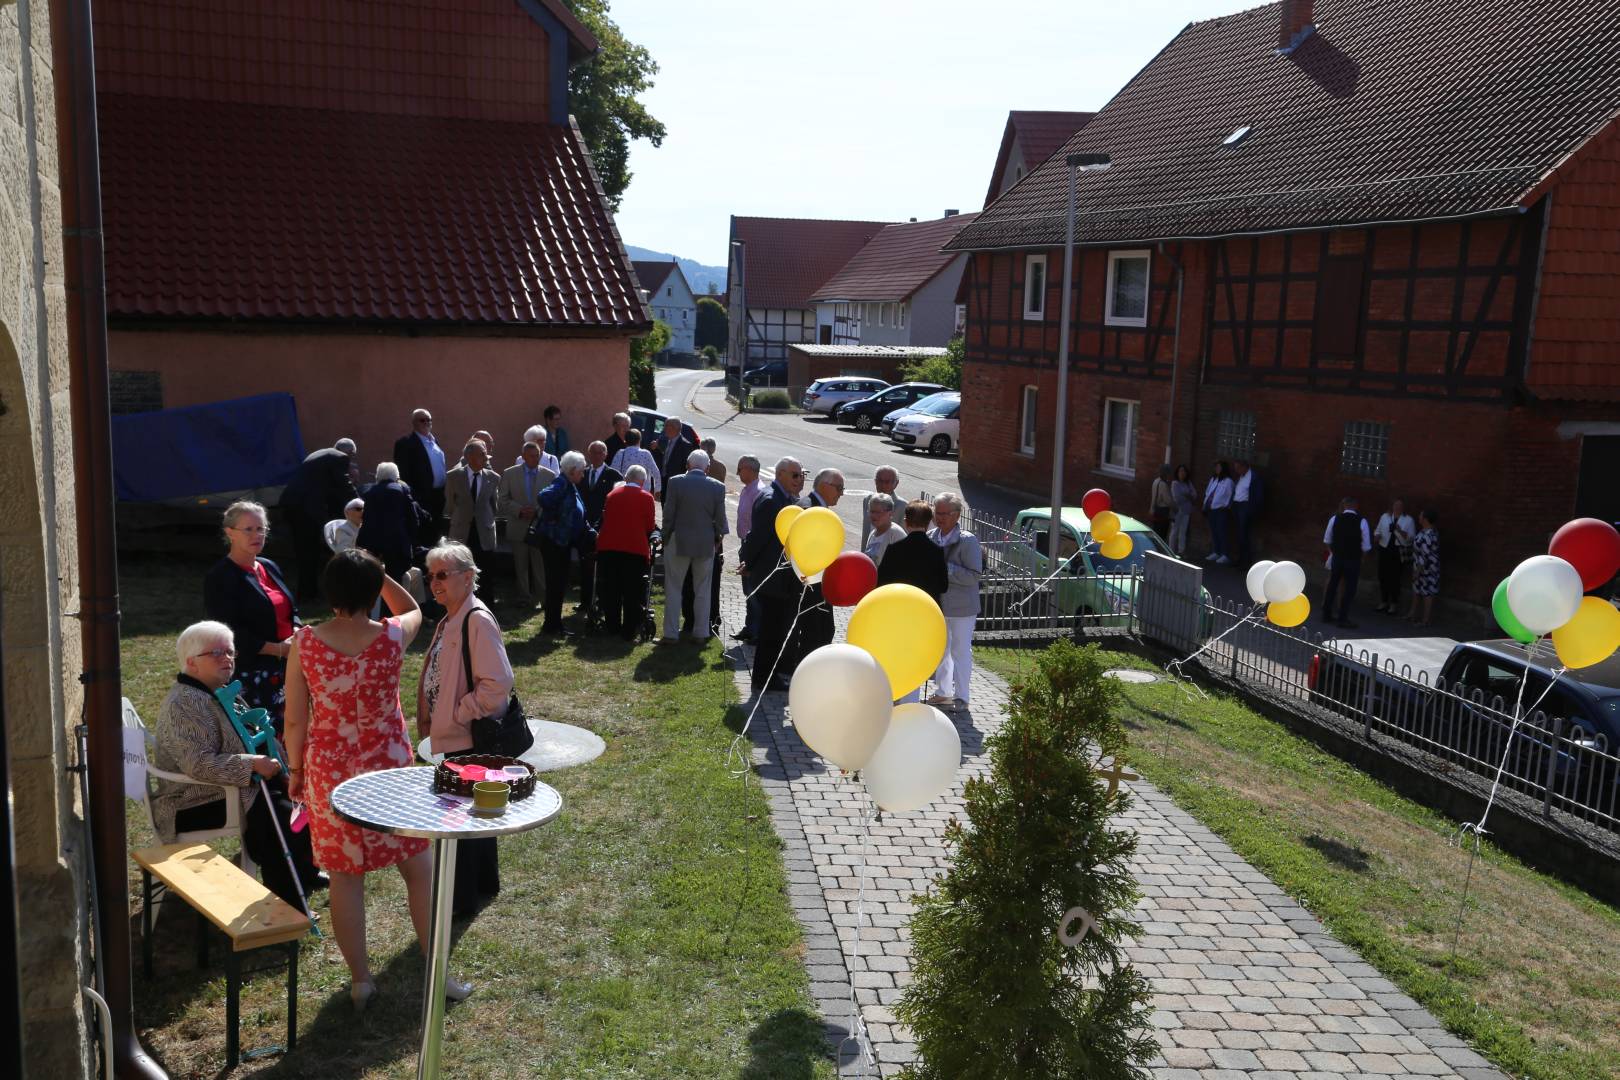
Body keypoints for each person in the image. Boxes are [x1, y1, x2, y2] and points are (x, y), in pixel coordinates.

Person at [283, 550, 472, 1009]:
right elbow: (412, 608)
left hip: (330, 772)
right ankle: (439, 971)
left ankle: (361, 981)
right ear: (373, 591)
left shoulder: (304, 644)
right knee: (419, 868)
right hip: (389, 769)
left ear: (328, 591)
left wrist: (296, 771)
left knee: (345, 877)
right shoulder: (391, 636)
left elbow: (294, 720)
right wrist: (381, 575)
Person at [152, 621, 321, 908]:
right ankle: (289, 905)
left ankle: (304, 875)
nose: (228, 659)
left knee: (302, 805)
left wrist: (284, 766)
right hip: (194, 800)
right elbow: (198, 764)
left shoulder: (217, 689)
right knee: (280, 821)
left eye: (230, 652)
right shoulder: (186, 703)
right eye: (217, 653)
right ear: (191, 662)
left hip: (237, 786)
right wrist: (250, 764)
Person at [411, 541, 515, 919]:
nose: (434, 583)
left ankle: (459, 901)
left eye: (442, 575)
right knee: (477, 811)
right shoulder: (454, 615)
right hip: (462, 734)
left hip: (469, 736)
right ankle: (483, 884)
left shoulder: (476, 619)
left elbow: (497, 685)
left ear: (468, 577)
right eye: (431, 576)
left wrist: (457, 713)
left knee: (459, 820)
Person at [204, 502, 298, 732]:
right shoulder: (220, 577)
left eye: (261, 529)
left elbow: (291, 610)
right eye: (248, 529)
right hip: (252, 673)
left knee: (292, 730)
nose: (256, 535)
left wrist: (297, 632)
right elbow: (229, 632)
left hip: (288, 665)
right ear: (230, 533)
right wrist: (278, 649)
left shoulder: (269, 566)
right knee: (262, 737)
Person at [739, 456, 805, 693]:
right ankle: (764, 678)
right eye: (795, 475)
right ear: (780, 475)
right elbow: (757, 537)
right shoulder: (771, 500)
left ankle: (768, 675)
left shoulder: (783, 498)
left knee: (775, 629)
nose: (799, 479)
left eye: (801, 475)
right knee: (770, 630)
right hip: (771, 577)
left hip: (778, 577)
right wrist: (747, 563)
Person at [661, 449, 728, 643]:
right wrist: (718, 539)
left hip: (678, 540)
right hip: (705, 542)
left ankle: (670, 633)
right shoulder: (717, 487)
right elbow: (721, 520)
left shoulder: (675, 482)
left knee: (674, 587)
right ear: (707, 468)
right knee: (703, 589)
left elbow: (668, 514)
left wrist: (665, 536)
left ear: (688, 465)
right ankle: (701, 632)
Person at [279, 442, 358, 600]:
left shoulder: (320, 455)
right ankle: (310, 594)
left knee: (304, 551)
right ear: (349, 452)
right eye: (353, 456)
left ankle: (306, 592)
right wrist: (360, 504)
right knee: (310, 550)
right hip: (305, 508)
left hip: (291, 503)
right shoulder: (340, 458)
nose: (351, 461)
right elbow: (344, 486)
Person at [927, 492, 983, 709]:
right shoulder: (931, 536)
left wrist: (946, 569)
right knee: (941, 649)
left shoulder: (968, 541)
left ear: (957, 515)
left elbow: (974, 576)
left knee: (960, 651)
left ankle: (962, 696)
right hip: (939, 604)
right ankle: (943, 692)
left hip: (962, 607)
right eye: (937, 513)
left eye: (944, 514)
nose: (939, 518)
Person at [786, 469, 844, 671]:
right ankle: (808, 672)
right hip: (810, 584)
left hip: (815, 582)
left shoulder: (815, 508)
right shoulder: (810, 509)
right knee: (816, 632)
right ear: (824, 486)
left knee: (822, 631)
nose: (842, 493)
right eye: (839, 488)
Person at [535, 451, 594, 636]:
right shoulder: (561, 483)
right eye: (581, 471)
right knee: (555, 584)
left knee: (559, 584)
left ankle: (555, 624)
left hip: (563, 542)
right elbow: (543, 497)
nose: (583, 475)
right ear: (572, 470)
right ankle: (551, 625)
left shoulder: (570, 485)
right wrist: (555, 517)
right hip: (554, 542)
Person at [596, 465, 658, 640]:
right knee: (632, 592)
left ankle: (612, 626)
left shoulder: (612, 495)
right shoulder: (647, 498)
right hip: (634, 549)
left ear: (626, 477)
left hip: (609, 548)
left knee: (612, 589)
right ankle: (629, 630)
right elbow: (649, 526)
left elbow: (606, 519)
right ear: (642, 481)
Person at [498, 441, 555, 610]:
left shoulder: (549, 475)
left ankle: (543, 598)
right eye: (531, 456)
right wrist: (519, 510)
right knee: (520, 564)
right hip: (518, 525)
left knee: (540, 565)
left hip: (539, 526)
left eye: (537, 456)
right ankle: (524, 597)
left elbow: (552, 500)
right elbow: (502, 499)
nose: (535, 459)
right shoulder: (509, 473)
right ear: (523, 456)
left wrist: (537, 511)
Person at [576, 442, 623, 622]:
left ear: (605, 454)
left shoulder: (614, 475)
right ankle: (585, 601)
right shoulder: (582, 473)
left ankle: (601, 602)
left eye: (599, 452)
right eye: (593, 452)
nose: (596, 456)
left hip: (604, 527)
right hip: (584, 526)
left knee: (603, 566)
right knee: (585, 564)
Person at [356, 462, 426, 580]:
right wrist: (411, 540)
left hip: (373, 542)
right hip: (397, 542)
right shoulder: (402, 490)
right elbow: (413, 518)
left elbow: (365, 518)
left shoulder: (369, 492)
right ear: (396, 476)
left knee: (373, 576)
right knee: (396, 577)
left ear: (378, 476)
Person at [393, 409, 448, 546]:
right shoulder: (405, 443)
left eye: (429, 420)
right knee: (423, 535)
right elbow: (403, 474)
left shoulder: (434, 442)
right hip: (421, 498)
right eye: (422, 420)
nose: (426, 423)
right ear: (414, 423)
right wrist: (413, 497)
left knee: (436, 533)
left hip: (438, 496)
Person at [444, 440, 501, 574]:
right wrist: (459, 518)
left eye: (486, 454)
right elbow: (450, 504)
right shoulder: (453, 476)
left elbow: (494, 505)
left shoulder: (493, 478)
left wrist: (487, 519)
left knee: (485, 570)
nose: (486, 458)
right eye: (482, 454)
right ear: (469, 457)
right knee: (460, 570)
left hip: (484, 531)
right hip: (461, 531)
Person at [877, 501, 949, 600]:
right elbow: (943, 586)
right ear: (928, 523)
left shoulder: (893, 549)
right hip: (926, 605)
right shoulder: (937, 551)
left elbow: (881, 582)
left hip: (900, 602)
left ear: (906, 522)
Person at [1322, 496, 1373, 628]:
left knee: (1333, 585)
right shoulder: (1362, 521)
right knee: (1349, 589)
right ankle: (1342, 617)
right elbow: (1366, 546)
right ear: (1356, 506)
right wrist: (1361, 558)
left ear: (1344, 505)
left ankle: (1326, 614)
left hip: (1337, 557)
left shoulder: (1335, 519)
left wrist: (1333, 552)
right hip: (1353, 559)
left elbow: (1327, 540)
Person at [733, 455, 764, 643]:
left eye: (740, 469)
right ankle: (749, 627)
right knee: (748, 590)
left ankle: (757, 631)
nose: (737, 472)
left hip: (752, 546)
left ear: (751, 470)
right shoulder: (747, 489)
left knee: (754, 590)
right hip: (745, 543)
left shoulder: (758, 492)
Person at [1374, 498, 1416, 615]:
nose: (1397, 507)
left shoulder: (1409, 520)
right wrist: (1377, 536)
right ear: (1392, 506)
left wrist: (1399, 530)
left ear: (1403, 508)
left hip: (1398, 551)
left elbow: (1412, 538)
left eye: (1400, 505)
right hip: (1384, 548)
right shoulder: (1385, 517)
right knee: (1382, 575)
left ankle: (1394, 604)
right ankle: (1383, 601)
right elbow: (1377, 530)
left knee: (1395, 578)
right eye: (1395, 505)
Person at [1405, 510, 1440, 626]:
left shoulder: (1429, 535)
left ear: (1425, 519)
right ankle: (1412, 614)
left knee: (1427, 593)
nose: (1419, 517)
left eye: (1420, 516)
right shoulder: (1424, 531)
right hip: (1419, 566)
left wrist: (1417, 571)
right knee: (1417, 590)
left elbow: (1425, 556)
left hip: (1428, 569)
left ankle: (1426, 620)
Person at [649, 416, 695, 504]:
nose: (664, 428)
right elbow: (664, 458)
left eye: (666, 425)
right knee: (663, 504)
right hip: (664, 480)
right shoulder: (665, 440)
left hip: (675, 484)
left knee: (672, 506)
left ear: (675, 428)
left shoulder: (685, 445)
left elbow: (687, 467)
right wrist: (656, 449)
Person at [610, 428, 661, 497]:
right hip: (642, 493)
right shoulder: (645, 454)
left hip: (623, 492)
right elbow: (656, 473)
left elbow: (613, 472)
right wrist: (657, 490)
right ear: (639, 440)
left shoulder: (620, 453)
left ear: (625, 441)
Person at [1231, 459, 1263, 567]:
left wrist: (1252, 510)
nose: (1236, 471)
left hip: (1245, 507)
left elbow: (1258, 496)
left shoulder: (1253, 477)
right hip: (1237, 506)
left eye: (1238, 468)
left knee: (1244, 535)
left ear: (1244, 467)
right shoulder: (1241, 477)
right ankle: (1240, 559)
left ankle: (1245, 561)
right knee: (1239, 534)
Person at [1202, 460, 1234, 565]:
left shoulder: (1228, 481)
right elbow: (1208, 492)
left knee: (1222, 532)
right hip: (1211, 509)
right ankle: (1216, 551)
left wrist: (1227, 506)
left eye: (1219, 467)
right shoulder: (1213, 479)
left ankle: (1225, 554)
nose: (1217, 469)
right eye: (1216, 467)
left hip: (1221, 510)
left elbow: (1230, 495)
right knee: (1214, 531)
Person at [861, 467, 901, 550]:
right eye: (879, 481)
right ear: (875, 481)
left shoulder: (902, 506)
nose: (883, 485)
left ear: (896, 483)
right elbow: (866, 532)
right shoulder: (867, 500)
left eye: (887, 482)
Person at [863, 493, 906, 567]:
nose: (874, 515)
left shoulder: (896, 534)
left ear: (890, 513)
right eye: (872, 511)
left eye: (878, 512)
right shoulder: (873, 533)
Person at [1169, 464, 1197, 557]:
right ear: (1177, 473)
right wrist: (1188, 496)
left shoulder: (1188, 483)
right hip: (1177, 511)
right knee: (1174, 531)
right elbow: (1177, 498)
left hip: (1186, 511)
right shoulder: (1175, 483)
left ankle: (1181, 550)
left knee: (1183, 532)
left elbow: (1195, 495)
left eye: (1184, 471)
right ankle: (1171, 550)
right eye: (1180, 471)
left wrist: (1186, 495)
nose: (1182, 473)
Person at [1150, 464, 1175, 544]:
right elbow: (1168, 501)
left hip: (1155, 511)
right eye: (1169, 473)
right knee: (1162, 535)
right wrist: (1175, 507)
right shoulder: (1163, 484)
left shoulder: (1156, 481)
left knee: (1156, 533)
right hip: (1163, 512)